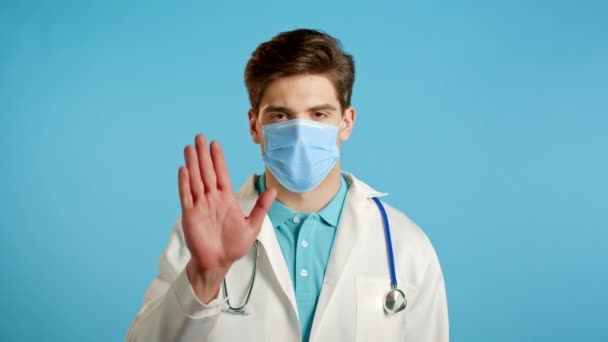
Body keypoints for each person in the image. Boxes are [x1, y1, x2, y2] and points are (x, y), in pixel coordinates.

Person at [126, 28, 449, 342]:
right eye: (281, 116)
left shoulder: (403, 242)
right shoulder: (201, 234)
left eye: (319, 114)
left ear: (346, 122)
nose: (300, 133)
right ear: (255, 126)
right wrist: (205, 276)